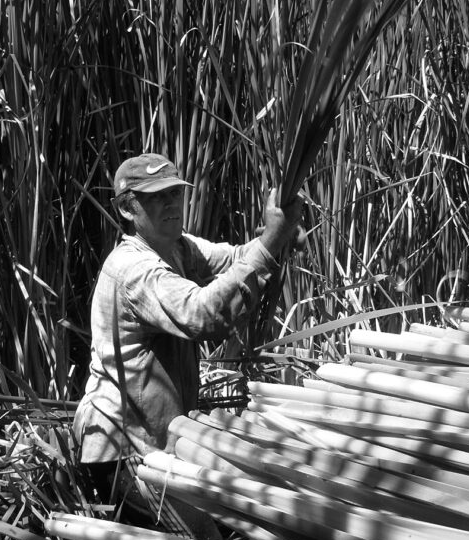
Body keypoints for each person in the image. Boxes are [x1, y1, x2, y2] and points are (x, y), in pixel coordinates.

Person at [73, 153, 305, 496]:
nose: (169, 204)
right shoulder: (133, 270)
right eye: (154, 198)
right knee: (204, 536)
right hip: (123, 450)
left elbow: (240, 258)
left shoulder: (178, 248)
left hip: (156, 445)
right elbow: (203, 315)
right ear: (127, 209)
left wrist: (278, 235)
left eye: (173, 193)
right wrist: (271, 242)